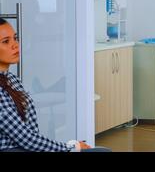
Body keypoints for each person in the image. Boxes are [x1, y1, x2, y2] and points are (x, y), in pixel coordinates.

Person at [0, 17, 96, 152]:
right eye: (5, 41)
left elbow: (32, 135)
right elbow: (26, 138)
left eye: (15, 38)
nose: (15, 45)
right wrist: (72, 147)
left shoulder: (12, 79)